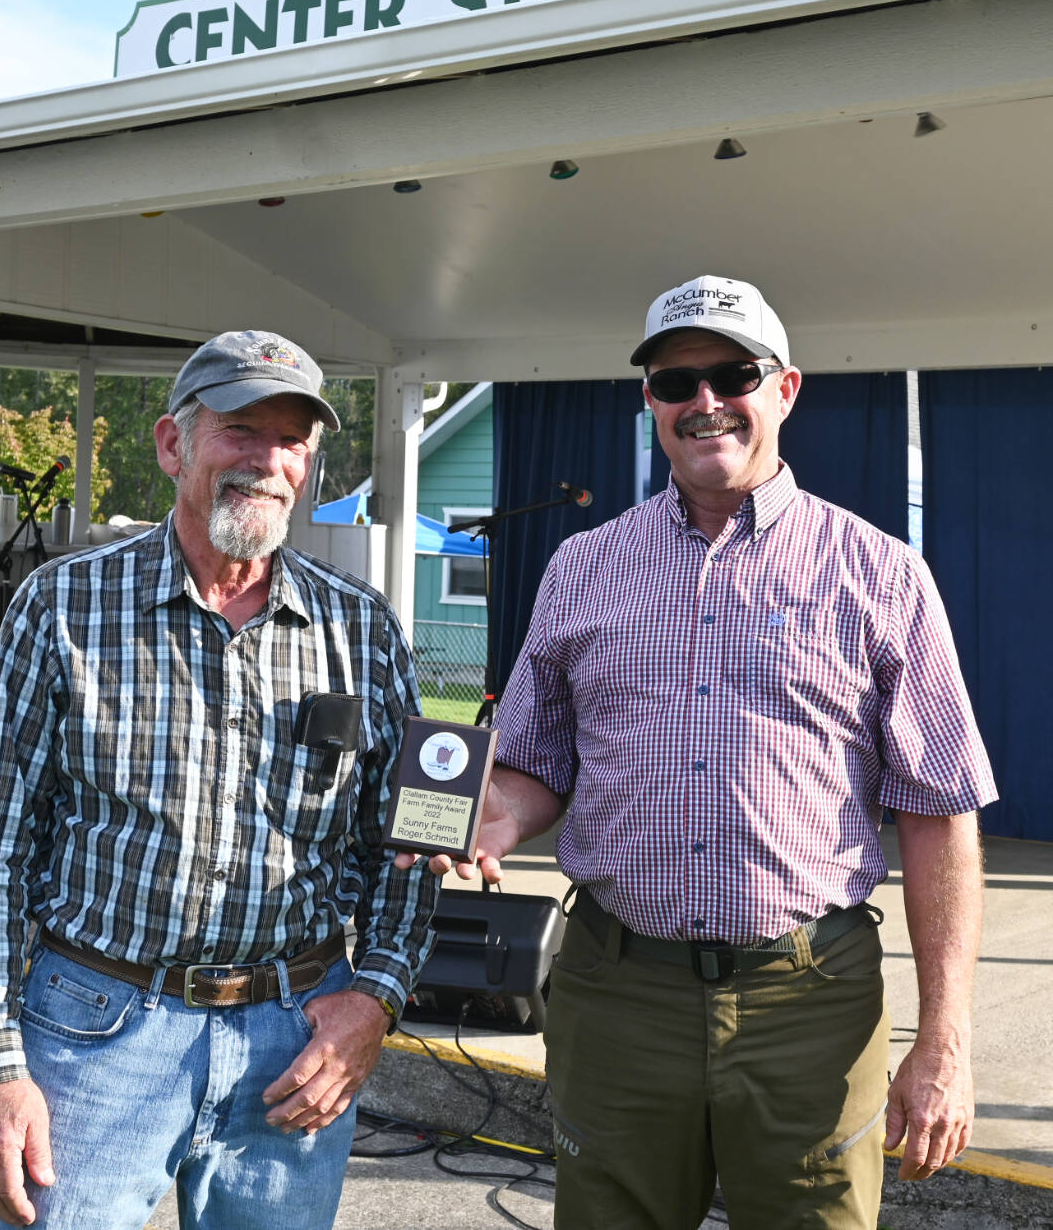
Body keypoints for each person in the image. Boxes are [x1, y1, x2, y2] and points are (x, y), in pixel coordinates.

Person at [405, 276, 997, 1230]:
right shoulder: (584, 566)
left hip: (808, 999)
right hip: (616, 990)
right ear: (649, 401)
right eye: (676, 382)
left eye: (733, 373)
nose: (704, 400)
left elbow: (940, 809)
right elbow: (534, 764)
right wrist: (492, 815)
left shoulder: (880, 572)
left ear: (786, 390)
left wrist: (946, 1039)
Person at [0, 329, 437, 1230]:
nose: (269, 461)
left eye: (292, 441)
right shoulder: (63, 606)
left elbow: (404, 844)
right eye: (241, 430)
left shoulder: (361, 629)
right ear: (174, 444)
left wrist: (375, 996)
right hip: (95, 1027)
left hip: (298, 1037)